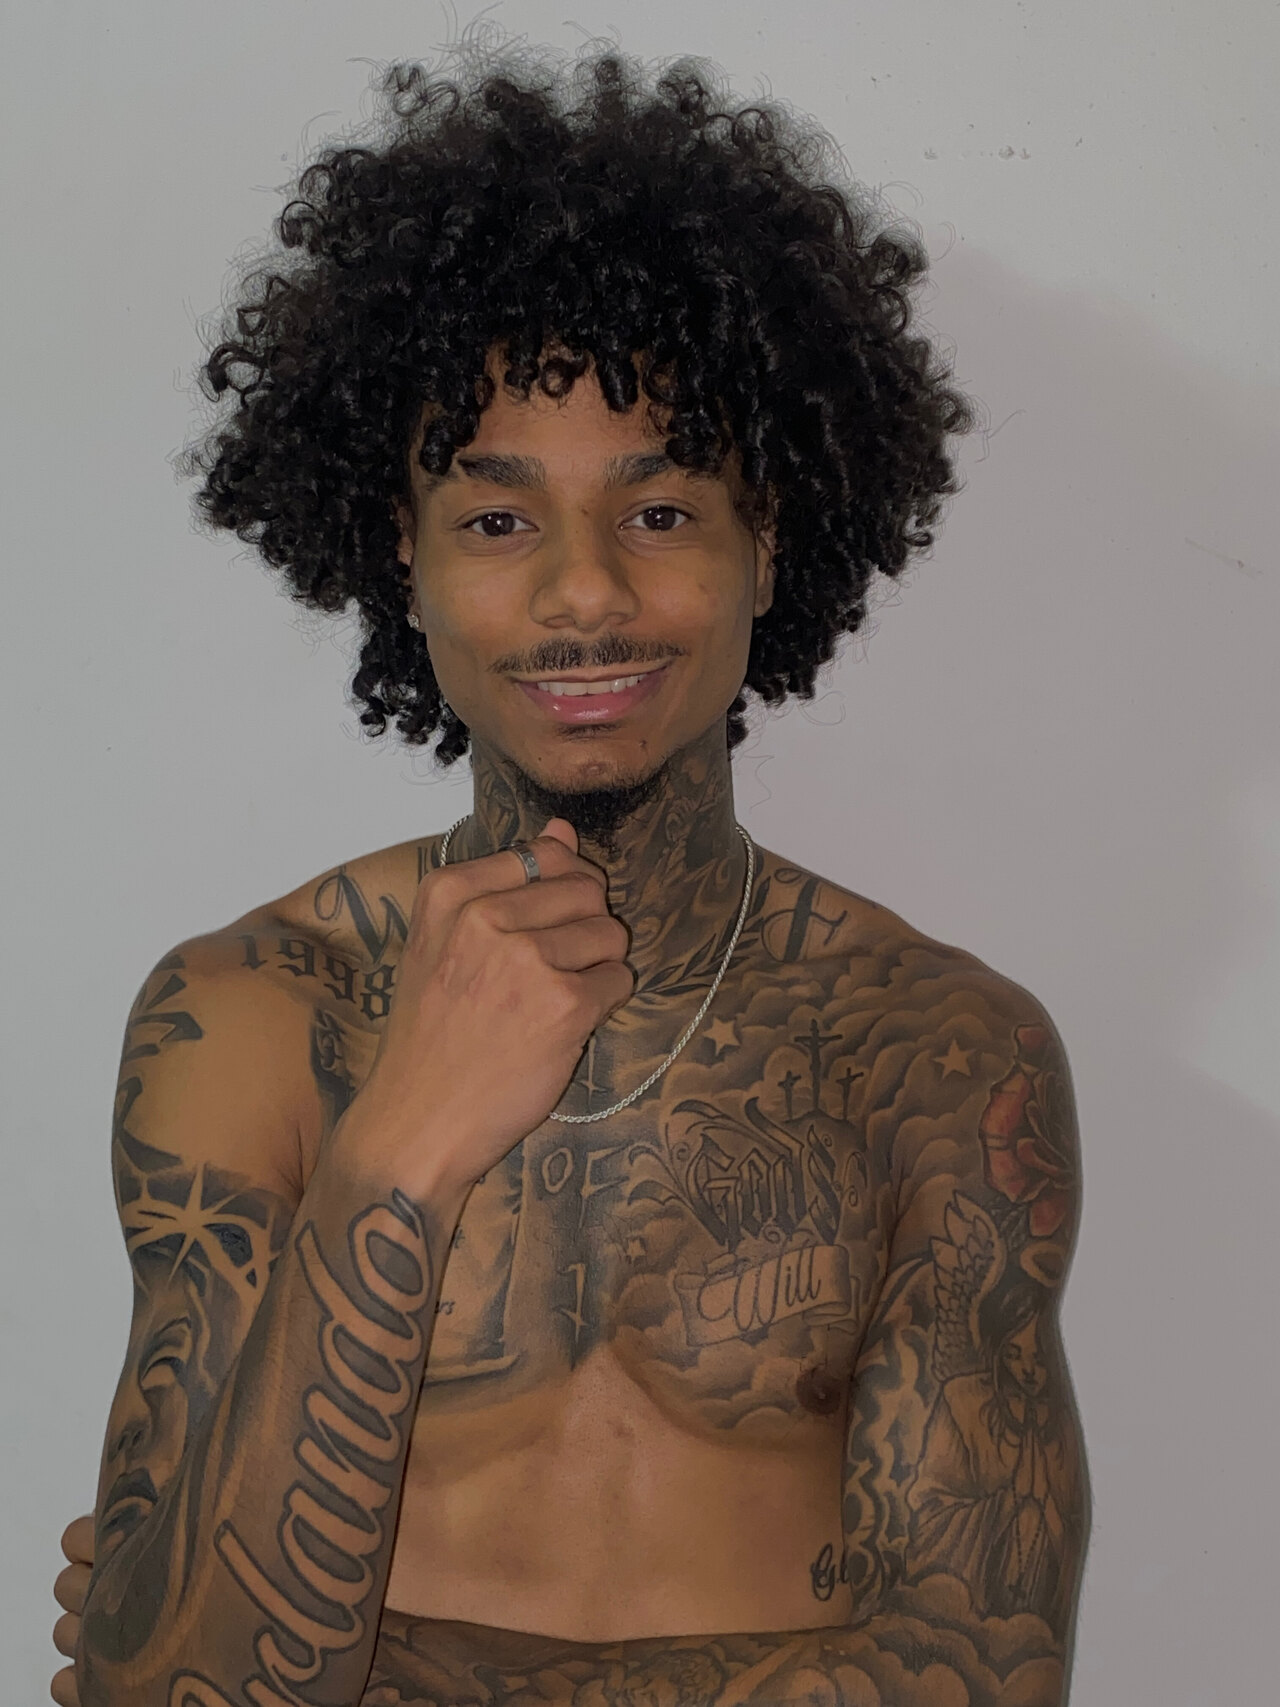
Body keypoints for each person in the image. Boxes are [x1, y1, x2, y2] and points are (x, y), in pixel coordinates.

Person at [51, 39, 1086, 1707]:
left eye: (659, 512)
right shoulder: (251, 1018)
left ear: (769, 539)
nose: (584, 596)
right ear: (402, 555)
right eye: (498, 520)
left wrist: (367, 1660)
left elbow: (977, 1673)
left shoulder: (938, 1055)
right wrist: (396, 1149)